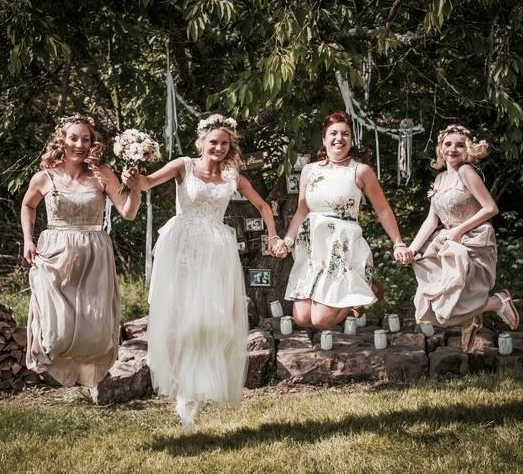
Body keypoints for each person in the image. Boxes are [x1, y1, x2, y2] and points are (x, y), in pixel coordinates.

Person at [122, 113, 286, 433]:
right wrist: (132, 177)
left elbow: (264, 208)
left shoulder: (233, 176)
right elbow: (146, 183)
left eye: (224, 143)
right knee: (180, 319)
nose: (219, 148)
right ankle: (180, 385)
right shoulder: (183, 166)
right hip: (182, 248)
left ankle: (194, 392)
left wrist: (273, 236)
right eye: (213, 142)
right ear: (201, 142)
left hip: (215, 251)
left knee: (212, 321)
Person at [21, 114, 141, 387]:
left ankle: (86, 377)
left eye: (86, 139)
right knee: (56, 330)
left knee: (93, 327)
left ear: (92, 143)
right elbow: (28, 206)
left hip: (93, 254)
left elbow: (128, 212)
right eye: (74, 138)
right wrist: (28, 239)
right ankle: (55, 363)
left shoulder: (102, 174)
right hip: (55, 254)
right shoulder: (44, 177)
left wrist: (135, 190)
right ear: (61, 140)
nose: (80, 144)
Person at [280, 111, 413, 330]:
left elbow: (383, 209)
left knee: (321, 320)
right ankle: (357, 290)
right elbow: (302, 210)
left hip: (342, 247)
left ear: (351, 139)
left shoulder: (360, 171)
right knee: (302, 318)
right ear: (324, 138)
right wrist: (287, 241)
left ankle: (360, 289)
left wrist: (398, 242)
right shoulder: (309, 171)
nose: (339, 138)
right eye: (333, 133)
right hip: (313, 246)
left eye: (345, 134)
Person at [408, 124, 519, 352]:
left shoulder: (466, 172)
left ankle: (496, 302)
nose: (453, 149)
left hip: (472, 240)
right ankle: (474, 316)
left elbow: (490, 208)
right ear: (440, 149)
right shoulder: (439, 179)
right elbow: (431, 220)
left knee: (449, 302)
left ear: (467, 149)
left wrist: (459, 230)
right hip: (448, 241)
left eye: (459, 145)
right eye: (448, 144)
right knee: (437, 305)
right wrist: (412, 249)